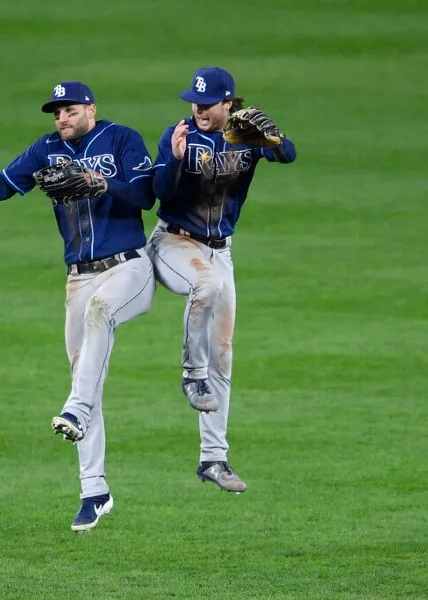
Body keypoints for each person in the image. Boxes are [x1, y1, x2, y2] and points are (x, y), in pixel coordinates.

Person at [0, 81, 156, 531]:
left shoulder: (122, 138)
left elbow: (145, 196)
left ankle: (76, 410)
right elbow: (3, 187)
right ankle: (94, 492)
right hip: (78, 276)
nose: (61, 118)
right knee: (84, 371)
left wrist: (97, 181)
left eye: (69, 110)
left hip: (130, 269)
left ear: (91, 109)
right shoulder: (46, 149)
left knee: (101, 311)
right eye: (56, 113)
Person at [148, 67, 297, 493]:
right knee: (206, 285)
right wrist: (175, 161)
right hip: (173, 242)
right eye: (194, 101)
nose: (198, 110)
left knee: (224, 353)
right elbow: (161, 194)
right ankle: (191, 374)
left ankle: (213, 459)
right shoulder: (178, 135)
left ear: (229, 104)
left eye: (208, 103)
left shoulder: (245, 137)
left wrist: (276, 138)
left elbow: (288, 156)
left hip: (220, 250)